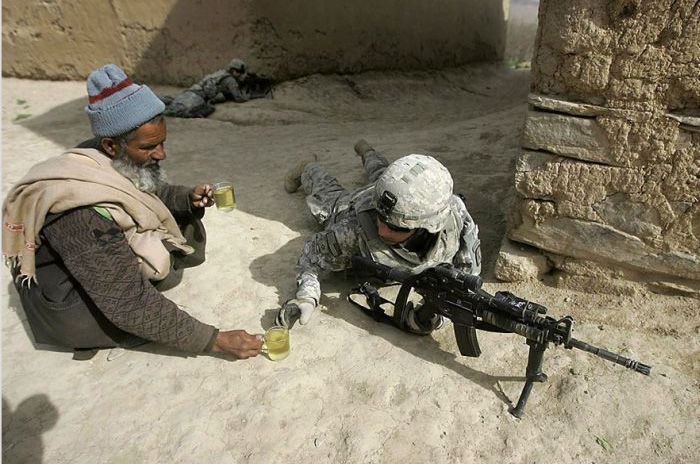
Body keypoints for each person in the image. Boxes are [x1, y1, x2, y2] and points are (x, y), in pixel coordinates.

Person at [2, 64, 262, 359]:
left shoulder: (113, 157)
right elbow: (127, 302)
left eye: (162, 142)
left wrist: (186, 198)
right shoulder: (79, 211)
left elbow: (147, 191)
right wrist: (214, 340)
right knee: (130, 316)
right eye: (150, 147)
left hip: (95, 264)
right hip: (70, 302)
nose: (161, 154)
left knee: (166, 266)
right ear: (111, 145)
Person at [277, 140, 482, 334]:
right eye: (380, 220)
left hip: (386, 193)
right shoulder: (352, 231)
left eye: (395, 227)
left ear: (427, 225)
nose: (383, 231)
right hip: (351, 204)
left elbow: (467, 272)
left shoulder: (454, 214)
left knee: (380, 171)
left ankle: (368, 152)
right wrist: (307, 296)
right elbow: (311, 256)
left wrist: (441, 313)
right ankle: (308, 167)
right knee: (327, 192)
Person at [162, 58, 273, 118]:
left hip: (192, 91)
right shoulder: (230, 80)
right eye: (239, 73)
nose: (241, 75)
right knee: (177, 111)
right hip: (197, 97)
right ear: (234, 71)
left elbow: (224, 93)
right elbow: (239, 98)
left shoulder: (221, 73)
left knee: (172, 102)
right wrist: (252, 95)